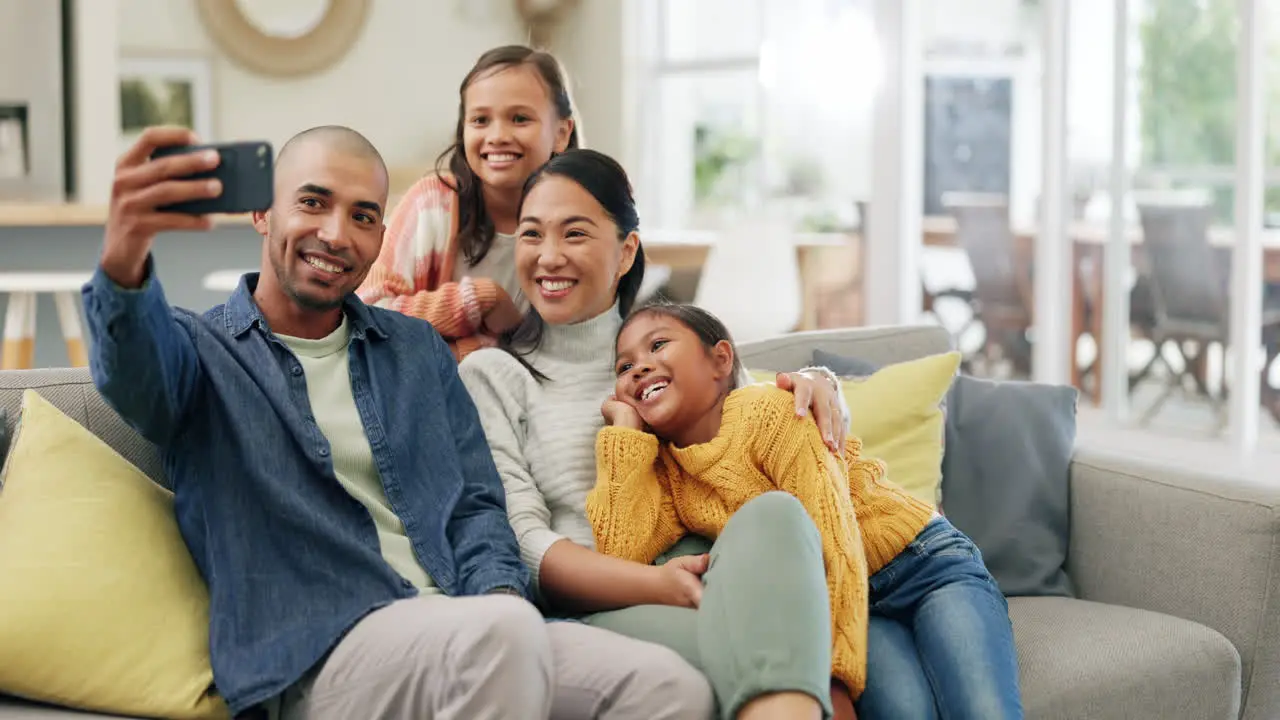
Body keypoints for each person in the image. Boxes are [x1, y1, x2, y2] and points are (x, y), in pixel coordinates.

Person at [82, 124, 712, 720]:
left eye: (362, 216)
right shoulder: (198, 353)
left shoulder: (414, 350)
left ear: (382, 236)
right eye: (312, 202)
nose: (336, 234)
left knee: (669, 689)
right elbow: (131, 372)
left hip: (470, 628)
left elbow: (475, 508)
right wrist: (124, 253)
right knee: (504, 635)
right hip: (316, 653)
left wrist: (497, 597)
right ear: (262, 214)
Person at [457, 148, 853, 720]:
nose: (548, 256)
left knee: (777, 512)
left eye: (574, 234)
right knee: (757, 665)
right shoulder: (493, 376)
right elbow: (523, 544)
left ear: (625, 252)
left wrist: (822, 382)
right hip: (607, 604)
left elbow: (762, 425)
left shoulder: (670, 347)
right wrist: (658, 584)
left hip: (736, 572)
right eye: (531, 234)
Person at [593, 301, 1026, 720]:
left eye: (657, 346)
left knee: (982, 711)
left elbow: (831, 531)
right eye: (624, 367)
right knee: (903, 712)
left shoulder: (771, 411)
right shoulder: (668, 476)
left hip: (926, 562)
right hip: (866, 604)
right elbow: (621, 556)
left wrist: (831, 675)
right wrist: (626, 434)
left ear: (719, 360)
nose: (639, 368)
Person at [358, 45, 580, 361]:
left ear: (561, 133)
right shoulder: (431, 205)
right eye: (480, 120)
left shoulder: (580, 226)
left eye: (519, 118)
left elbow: (572, 352)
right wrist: (479, 301)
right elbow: (368, 312)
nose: (498, 135)